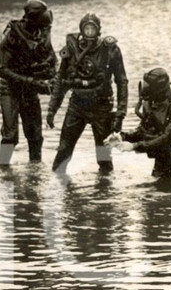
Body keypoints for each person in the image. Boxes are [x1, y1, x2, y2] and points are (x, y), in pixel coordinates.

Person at [47, 13, 128, 174]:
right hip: (77, 105)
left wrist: (120, 113)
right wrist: (52, 109)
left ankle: (105, 193)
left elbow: (122, 82)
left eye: (93, 29)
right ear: (81, 30)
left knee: (103, 156)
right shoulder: (72, 48)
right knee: (63, 150)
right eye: (87, 28)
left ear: (99, 31)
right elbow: (61, 81)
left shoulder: (110, 49)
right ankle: (55, 187)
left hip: (102, 107)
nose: (89, 32)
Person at [109, 67, 171, 182]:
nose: (145, 90)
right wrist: (122, 136)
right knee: (153, 194)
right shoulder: (150, 102)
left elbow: (167, 137)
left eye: (148, 87)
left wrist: (134, 146)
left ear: (158, 90)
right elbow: (143, 129)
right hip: (163, 156)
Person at [0, 0, 57, 165]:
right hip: (10, 89)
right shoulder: (12, 35)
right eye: (40, 27)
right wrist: (33, 82)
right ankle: (3, 171)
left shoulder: (43, 31)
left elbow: (52, 60)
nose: (43, 31)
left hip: (31, 89)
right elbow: (2, 70)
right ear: (31, 21)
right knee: (10, 136)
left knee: (35, 136)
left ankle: (35, 172)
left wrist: (52, 77)